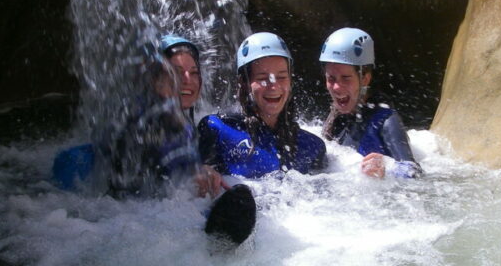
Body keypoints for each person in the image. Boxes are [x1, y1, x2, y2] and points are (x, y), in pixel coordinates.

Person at [52, 35, 253, 245]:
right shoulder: (139, 116)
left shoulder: (179, 119)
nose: (187, 79)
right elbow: (150, 148)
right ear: (155, 79)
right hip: (97, 213)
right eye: (175, 72)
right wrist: (191, 170)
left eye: (194, 73)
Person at [198, 32, 326, 177]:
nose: (274, 86)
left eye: (282, 77)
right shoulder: (216, 129)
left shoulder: (313, 146)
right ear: (244, 83)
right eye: (263, 78)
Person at [319, 27, 422, 179]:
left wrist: (387, 168)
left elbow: (414, 173)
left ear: (365, 79)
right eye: (331, 78)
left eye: (346, 78)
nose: (336, 88)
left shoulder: (386, 120)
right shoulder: (337, 118)